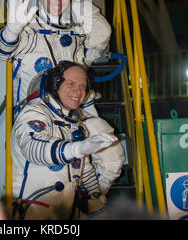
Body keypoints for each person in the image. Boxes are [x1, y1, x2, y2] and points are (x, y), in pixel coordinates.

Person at [10, 62, 125, 220]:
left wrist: (97, 207)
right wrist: (77, 149)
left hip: (66, 210)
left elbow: (84, 170)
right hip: (32, 210)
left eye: (82, 86)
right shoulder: (34, 112)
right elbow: (33, 147)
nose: (78, 91)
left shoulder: (75, 123)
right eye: (71, 83)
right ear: (54, 84)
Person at [0, 0, 111, 117]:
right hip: (34, 116)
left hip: (71, 115)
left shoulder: (76, 32)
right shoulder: (29, 28)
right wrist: (12, 30)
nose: (58, 0)